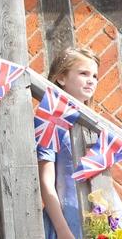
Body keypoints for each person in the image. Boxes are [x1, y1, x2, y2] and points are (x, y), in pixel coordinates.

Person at [38, 47, 100, 239]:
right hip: (67, 217)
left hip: (100, 214)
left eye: (95, 76)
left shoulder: (97, 124)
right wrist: (62, 229)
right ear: (61, 78)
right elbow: (46, 181)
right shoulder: (51, 121)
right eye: (84, 73)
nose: (91, 80)